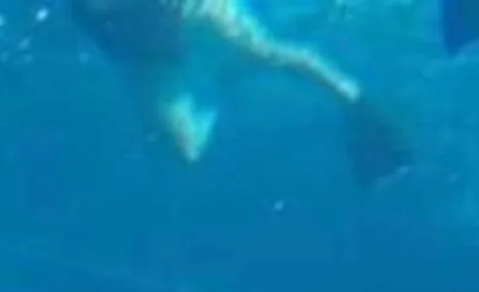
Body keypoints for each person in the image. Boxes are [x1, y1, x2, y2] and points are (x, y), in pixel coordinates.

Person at [65, 0, 412, 186]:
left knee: (265, 53)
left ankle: (356, 100)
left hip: (189, 17)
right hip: (144, 52)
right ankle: (222, 80)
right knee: (186, 150)